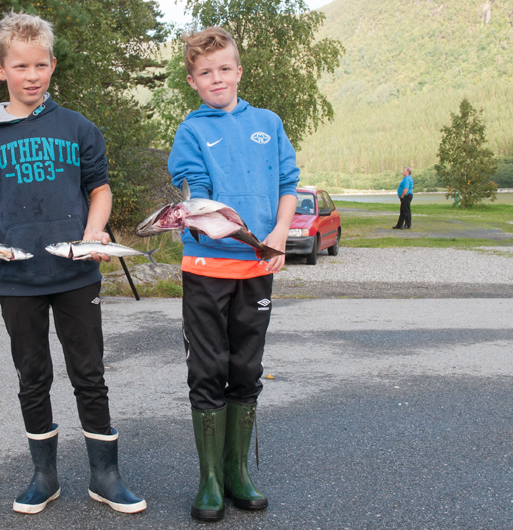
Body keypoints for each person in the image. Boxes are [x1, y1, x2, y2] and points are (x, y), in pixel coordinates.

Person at [0, 11, 145, 516]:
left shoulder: (79, 127)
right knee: (32, 374)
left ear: (53, 65)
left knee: (90, 373)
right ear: (1, 69)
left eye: (41, 65)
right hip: (16, 277)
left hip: (75, 272)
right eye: (21, 66)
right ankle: (44, 476)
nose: (32, 75)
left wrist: (94, 231)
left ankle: (106, 475)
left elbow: (99, 189)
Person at [167, 27, 299, 522]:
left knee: (245, 367)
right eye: (205, 72)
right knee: (208, 369)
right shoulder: (191, 131)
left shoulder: (268, 122)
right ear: (192, 81)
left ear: (239, 71)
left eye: (225, 68)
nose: (216, 78)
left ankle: (238, 473)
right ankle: (209, 482)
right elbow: (195, 191)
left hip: (258, 265)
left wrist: (281, 235)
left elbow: (288, 183)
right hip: (205, 267)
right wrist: (203, 215)